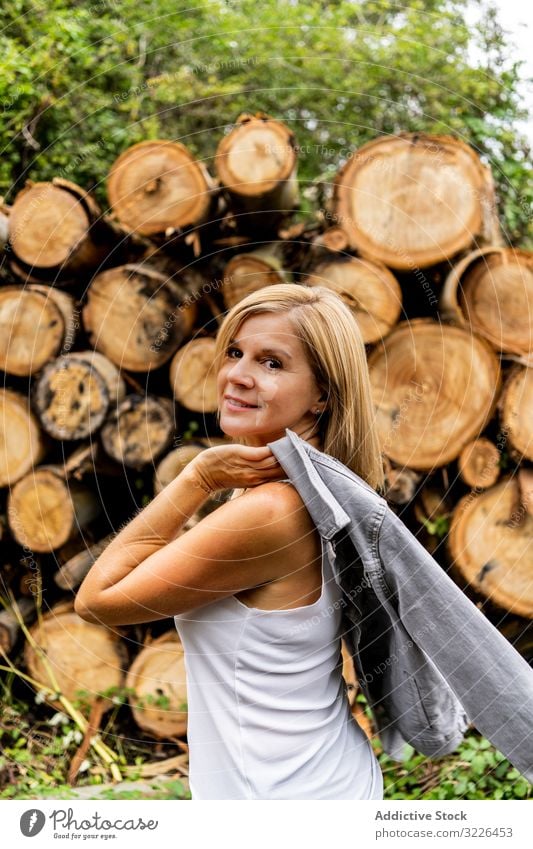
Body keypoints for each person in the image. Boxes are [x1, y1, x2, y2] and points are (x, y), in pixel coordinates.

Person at [74, 283, 386, 800]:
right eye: (235, 353)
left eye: (272, 363)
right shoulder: (319, 486)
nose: (236, 375)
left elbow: (95, 600)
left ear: (323, 394)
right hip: (316, 782)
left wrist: (194, 478)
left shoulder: (272, 512)